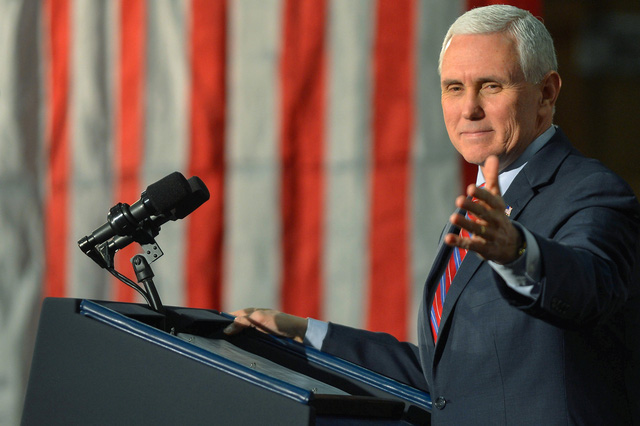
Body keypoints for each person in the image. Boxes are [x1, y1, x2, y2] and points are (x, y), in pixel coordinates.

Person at [224, 5, 640, 424]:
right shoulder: (484, 206)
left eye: (491, 86)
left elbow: (588, 286)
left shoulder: (591, 192)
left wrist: (517, 251)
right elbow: (448, 381)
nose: (469, 109)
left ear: (546, 93)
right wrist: (304, 333)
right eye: (454, 87)